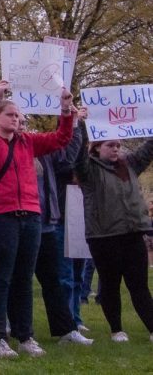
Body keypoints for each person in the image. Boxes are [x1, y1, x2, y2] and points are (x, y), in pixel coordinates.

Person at [0, 80, 75, 359]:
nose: (16, 119)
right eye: (10, 114)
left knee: (24, 280)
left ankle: (25, 336)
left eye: (18, 116)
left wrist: (66, 111)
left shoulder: (28, 142)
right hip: (1, 217)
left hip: (31, 217)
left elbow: (61, 139)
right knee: (2, 279)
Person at [74, 126, 153, 342]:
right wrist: (80, 125)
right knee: (110, 284)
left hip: (132, 233)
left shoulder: (130, 165)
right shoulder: (88, 170)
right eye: (110, 145)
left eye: (118, 145)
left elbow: (148, 149)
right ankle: (117, 330)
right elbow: (78, 153)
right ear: (97, 148)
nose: (116, 149)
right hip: (103, 237)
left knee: (139, 285)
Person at [26, 113, 93, 345]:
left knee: (54, 279)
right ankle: (14, 329)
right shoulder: (4, 150)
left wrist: (74, 124)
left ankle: (67, 329)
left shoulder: (46, 154)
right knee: (16, 278)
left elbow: (69, 157)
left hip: (46, 223)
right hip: (18, 222)